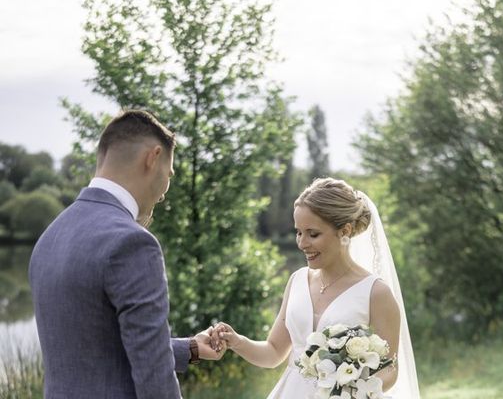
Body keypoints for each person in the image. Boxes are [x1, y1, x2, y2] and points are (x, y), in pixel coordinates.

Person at [29, 110, 225, 399]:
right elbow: (155, 379)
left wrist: (190, 348)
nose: (164, 192)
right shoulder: (133, 243)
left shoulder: (50, 237)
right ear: (153, 158)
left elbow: (94, 346)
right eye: (169, 174)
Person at [214, 177, 420, 398]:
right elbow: (274, 352)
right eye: (299, 232)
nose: (302, 243)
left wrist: (351, 388)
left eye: (313, 234)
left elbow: (389, 369)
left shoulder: (376, 292)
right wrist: (237, 342)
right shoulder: (297, 281)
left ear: (345, 231)